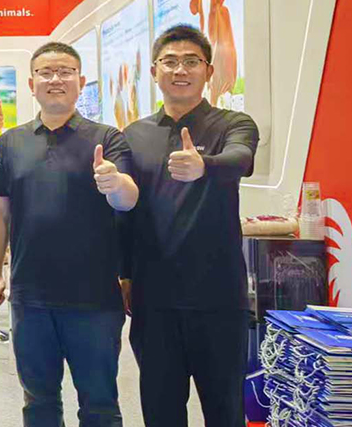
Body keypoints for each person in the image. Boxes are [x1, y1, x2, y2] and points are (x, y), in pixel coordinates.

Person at [0, 42, 138, 427]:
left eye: (66, 71)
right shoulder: (10, 143)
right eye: (46, 72)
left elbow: (128, 199)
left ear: (81, 82)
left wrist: (115, 182)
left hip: (94, 299)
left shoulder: (107, 138)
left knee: (100, 403)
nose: (56, 79)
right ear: (31, 83)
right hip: (31, 299)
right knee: (38, 402)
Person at [122, 25, 259, 426]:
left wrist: (205, 165)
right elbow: (126, 213)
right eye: (170, 61)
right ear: (154, 71)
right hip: (154, 300)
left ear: (208, 70)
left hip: (218, 298)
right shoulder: (134, 135)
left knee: (225, 410)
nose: (180, 70)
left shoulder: (233, 124)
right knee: (161, 411)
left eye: (191, 61)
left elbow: (241, 158)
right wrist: (123, 273)